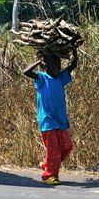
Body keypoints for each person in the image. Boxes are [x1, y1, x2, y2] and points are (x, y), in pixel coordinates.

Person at [23, 49, 78, 185]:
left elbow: (72, 66)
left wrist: (74, 54)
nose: (57, 68)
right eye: (53, 66)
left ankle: (47, 163)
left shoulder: (60, 78)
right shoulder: (41, 78)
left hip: (60, 119)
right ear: (45, 67)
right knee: (53, 150)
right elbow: (26, 72)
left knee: (67, 146)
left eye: (58, 66)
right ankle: (49, 176)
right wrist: (39, 61)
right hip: (47, 120)